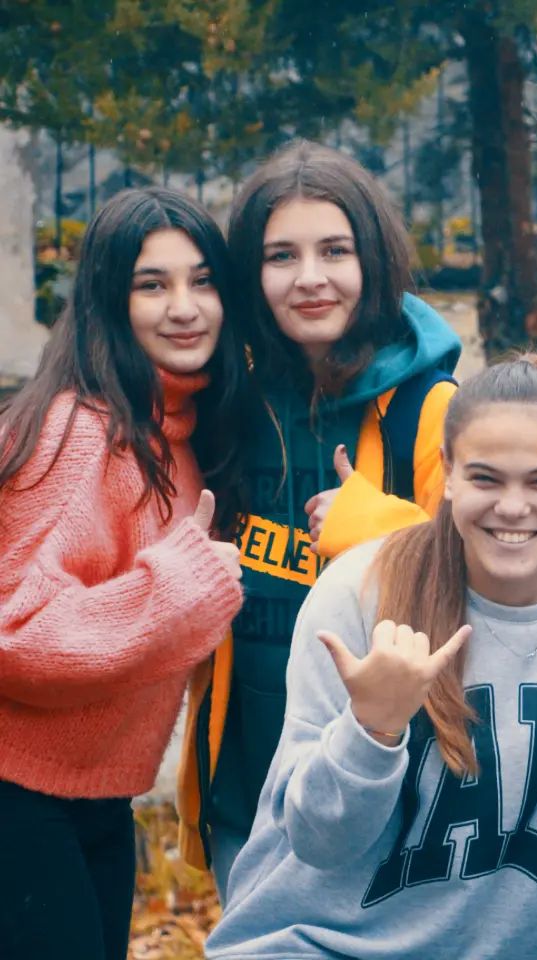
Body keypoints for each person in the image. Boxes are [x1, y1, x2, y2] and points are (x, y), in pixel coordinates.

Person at [204, 361, 537, 959]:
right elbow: (318, 842)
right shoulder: (362, 591)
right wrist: (372, 730)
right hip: (318, 944)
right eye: (485, 478)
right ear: (450, 472)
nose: (513, 508)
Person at [180, 140, 462, 897]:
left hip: (396, 797)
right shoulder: (225, 407)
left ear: (372, 258)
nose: (310, 278)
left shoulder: (429, 410)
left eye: (334, 249)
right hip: (250, 791)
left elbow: (496, 578)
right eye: (281, 256)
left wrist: (383, 530)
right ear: (250, 273)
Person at [0, 188, 247, 960]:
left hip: (93, 792)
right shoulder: (85, 432)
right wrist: (174, 591)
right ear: (111, 299)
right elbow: (14, 626)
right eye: (153, 284)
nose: (185, 307)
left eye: (203, 281)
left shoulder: (171, 432)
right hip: (18, 794)